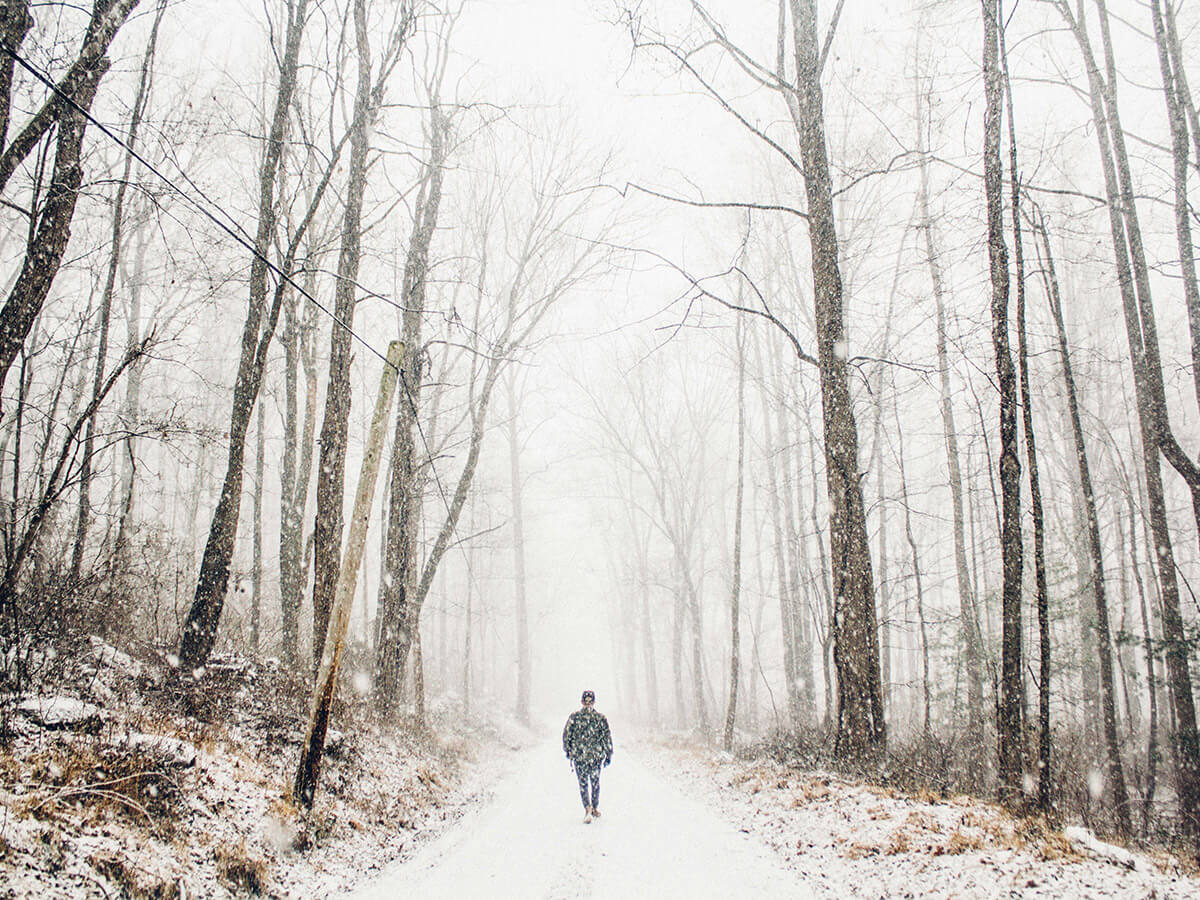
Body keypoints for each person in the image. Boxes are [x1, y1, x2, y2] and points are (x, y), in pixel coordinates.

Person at [562, 689, 612, 823]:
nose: (588, 704)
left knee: (588, 783)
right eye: (586, 701)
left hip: (587, 757)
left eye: (590, 701)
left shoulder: (579, 718)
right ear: (582, 702)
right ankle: (590, 807)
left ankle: (591, 807)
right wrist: (607, 753)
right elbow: (567, 736)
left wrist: (608, 753)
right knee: (591, 783)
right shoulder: (596, 718)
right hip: (588, 757)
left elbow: (606, 737)